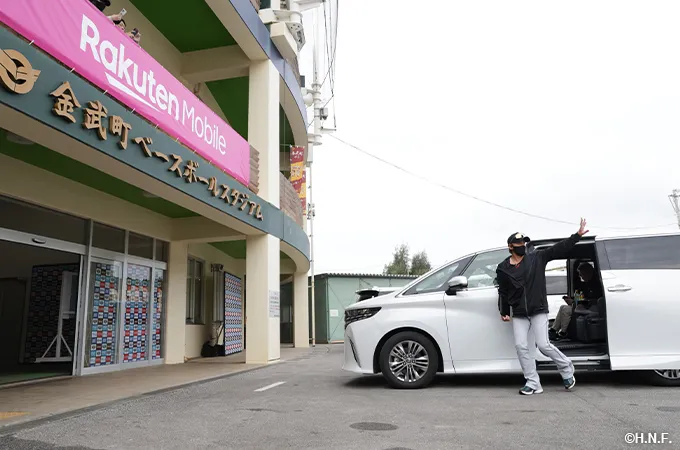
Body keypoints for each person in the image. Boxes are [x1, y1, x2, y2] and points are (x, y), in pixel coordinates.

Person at [496, 218, 589, 395]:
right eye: (519, 243)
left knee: (543, 345)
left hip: (538, 309)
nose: (523, 245)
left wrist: (576, 236)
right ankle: (533, 382)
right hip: (519, 313)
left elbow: (558, 249)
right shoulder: (503, 268)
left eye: (524, 243)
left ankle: (566, 368)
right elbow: (503, 291)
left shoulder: (537, 258)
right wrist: (504, 310)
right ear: (510, 246)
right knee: (521, 346)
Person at [550, 262, 603, 339]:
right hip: (583, 307)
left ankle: (563, 332)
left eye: (582, 274)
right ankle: (554, 330)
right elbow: (581, 297)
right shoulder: (585, 284)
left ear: (588, 273)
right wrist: (573, 300)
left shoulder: (597, 284)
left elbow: (594, 300)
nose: (580, 277)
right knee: (563, 307)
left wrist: (575, 302)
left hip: (592, 308)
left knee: (565, 309)